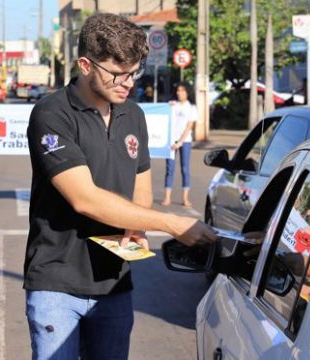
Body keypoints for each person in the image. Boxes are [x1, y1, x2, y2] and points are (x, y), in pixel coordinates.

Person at [24, 13, 217, 360]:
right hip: (58, 283)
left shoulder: (134, 115)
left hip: (115, 283)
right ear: (85, 64)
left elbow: (140, 187)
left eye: (135, 72)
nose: (128, 83)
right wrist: (174, 223)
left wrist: (136, 228)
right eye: (117, 73)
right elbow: (84, 199)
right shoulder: (52, 114)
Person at [161, 82, 198, 207]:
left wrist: (180, 142)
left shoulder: (192, 107)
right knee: (169, 169)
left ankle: (185, 199)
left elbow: (189, 127)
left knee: (185, 169)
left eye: (182, 90)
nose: (179, 93)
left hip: (185, 142)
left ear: (187, 92)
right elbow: (164, 119)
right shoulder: (172, 105)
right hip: (171, 142)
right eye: (178, 90)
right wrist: (167, 105)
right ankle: (167, 198)